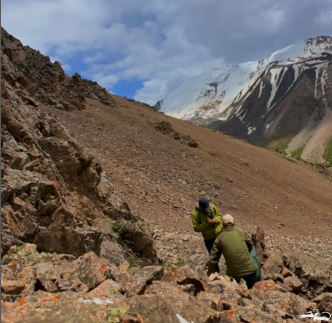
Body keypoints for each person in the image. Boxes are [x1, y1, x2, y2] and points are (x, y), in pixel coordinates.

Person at [207, 214, 261, 289]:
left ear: (223, 225)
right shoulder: (240, 232)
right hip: (251, 272)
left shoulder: (219, 238)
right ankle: (259, 280)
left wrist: (210, 275)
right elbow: (250, 244)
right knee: (253, 253)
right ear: (233, 224)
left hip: (235, 277)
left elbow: (213, 260)